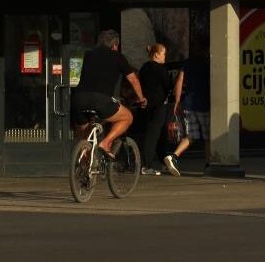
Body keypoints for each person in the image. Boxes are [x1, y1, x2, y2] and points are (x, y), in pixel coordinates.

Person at [71, 30, 146, 159]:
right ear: (115, 45)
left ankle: (84, 164)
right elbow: (133, 79)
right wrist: (141, 98)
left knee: (83, 136)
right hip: (101, 100)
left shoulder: (89, 55)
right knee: (127, 117)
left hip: (79, 98)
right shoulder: (118, 57)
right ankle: (105, 143)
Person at [163, 49, 211, 177]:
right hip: (204, 104)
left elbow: (179, 80)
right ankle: (208, 165)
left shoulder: (188, 62)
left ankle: (173, 156)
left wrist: (177, 101)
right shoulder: (208, 62)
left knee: (191, 135)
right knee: (208, 137)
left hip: (189, 104)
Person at [138, 43, 178, 176]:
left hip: (147, 104)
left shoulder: (145, 67)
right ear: (156, 55)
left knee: (159, 134)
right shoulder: (160, 69)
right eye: (163, 54)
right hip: (159, 105)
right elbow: (168, 85)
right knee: (154, 135)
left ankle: (162, 161)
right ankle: (146, 165)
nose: (165, 56)